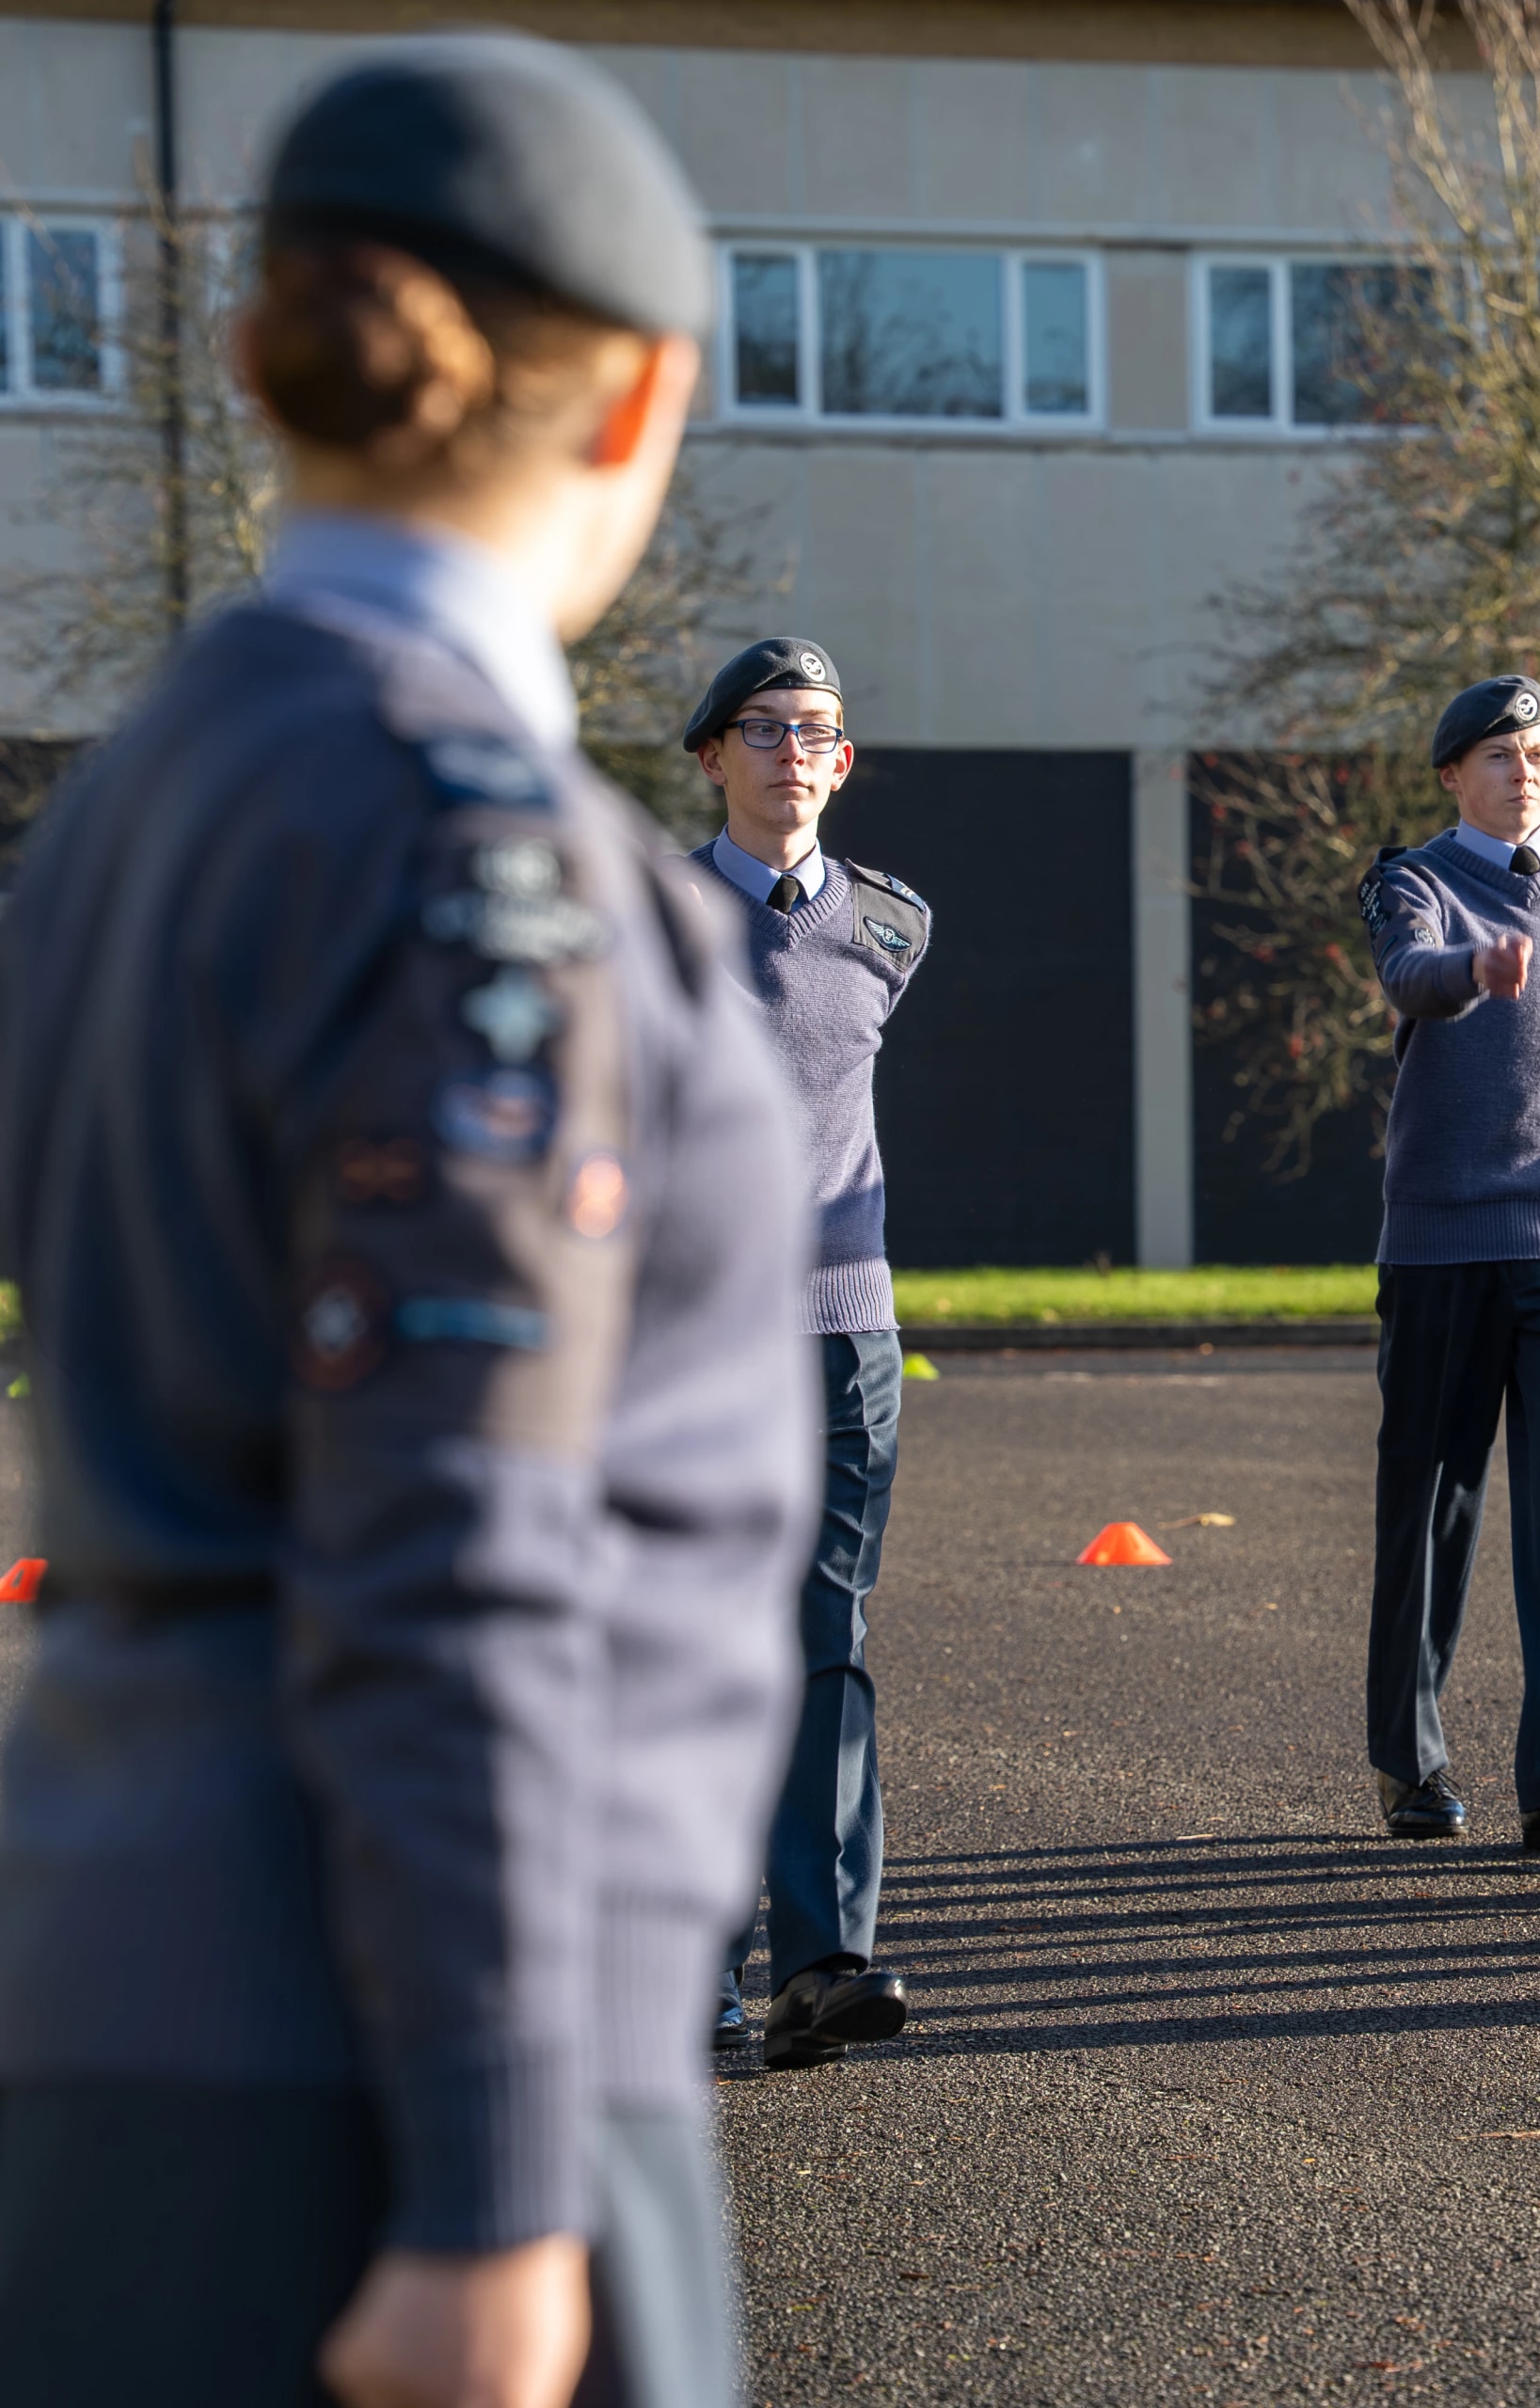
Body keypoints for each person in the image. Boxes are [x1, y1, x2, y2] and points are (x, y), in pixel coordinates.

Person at [0, 36, 814, 2408]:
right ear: (639, 394)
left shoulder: (144, 793)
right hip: (394, 2093)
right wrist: (493, 2172)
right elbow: (453, 1525)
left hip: (129, 2005)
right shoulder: (479, 850)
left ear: (272, 357)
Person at [681, 637, 930, 2066]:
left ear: (843, 764)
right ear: (714, 755)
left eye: (817, 730)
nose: (793, 751)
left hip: (846, 1337)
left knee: (827, 1644)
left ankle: (823, 1961)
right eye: (766, 728)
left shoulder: (893, 923)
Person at [1359, 675, 1540, 1851]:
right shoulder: (1412, 881)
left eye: (1538, 752)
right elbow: (1409, 973)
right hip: (1445, 1244)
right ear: (1452, 775)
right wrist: (1473, 971)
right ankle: (1409, 1758)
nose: (1524, 771)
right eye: (1500, 755)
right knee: (1433, 1506)